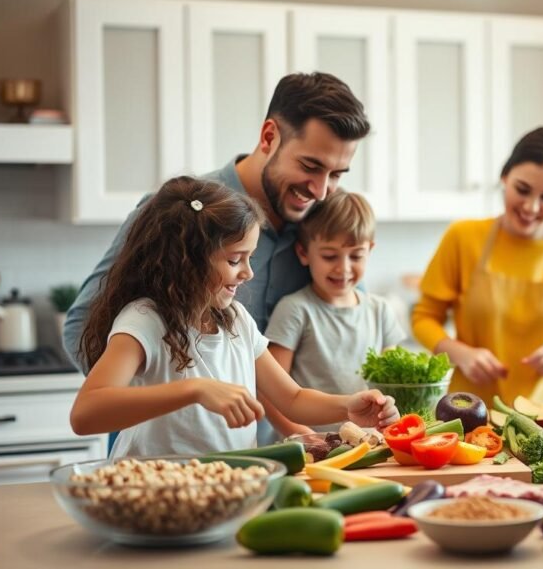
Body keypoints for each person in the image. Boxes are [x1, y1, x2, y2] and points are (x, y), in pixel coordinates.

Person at [61, 71, 370, 444]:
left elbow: (335, 335)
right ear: (269, 137)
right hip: (163, 457)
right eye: (310, 166)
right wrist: (169, 397)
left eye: (337, 174)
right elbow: (83, 329)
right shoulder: (181, 215)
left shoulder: (320, 224)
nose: (322, 191)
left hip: (269, 457)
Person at [69, 177, 399, 458]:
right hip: (154, 497)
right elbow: (85, 414)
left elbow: (293, 398)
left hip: (229, 492)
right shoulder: (146, 320)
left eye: (250, 257)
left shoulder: (235, 319)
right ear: (188, 260)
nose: (248, 272)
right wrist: (194, 389)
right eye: (234, 259)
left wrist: (348, 406)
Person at [411, 127, 543, 407]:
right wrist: (460, 353)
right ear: (505, 177)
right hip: (467, 411)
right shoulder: (463, 237)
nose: (531, 207)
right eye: (522, 190)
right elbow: (423, 318)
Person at [260, 190, 406, 443]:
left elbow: (389, 388)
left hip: (368, 444)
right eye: (329, 256)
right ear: (304, 253)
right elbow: (271, 391)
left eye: (356, 255)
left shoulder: (381, 311)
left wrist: (390, 412)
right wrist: (304, 435)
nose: (344, 268)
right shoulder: (295, 309)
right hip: (309, 447)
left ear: (370, 250)